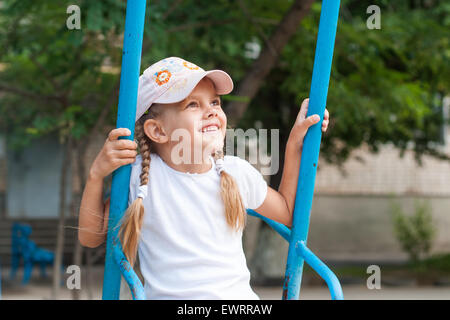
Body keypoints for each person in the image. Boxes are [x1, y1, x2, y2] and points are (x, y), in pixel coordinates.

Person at [78, 57, 329, 299]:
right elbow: (90, 237)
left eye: (215, 103)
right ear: (157, 130)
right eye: (193, 104)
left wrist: (295, 144)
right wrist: (96, 175)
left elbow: (286, 212)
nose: (211, 111)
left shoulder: (236, 173)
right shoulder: (141, 178)